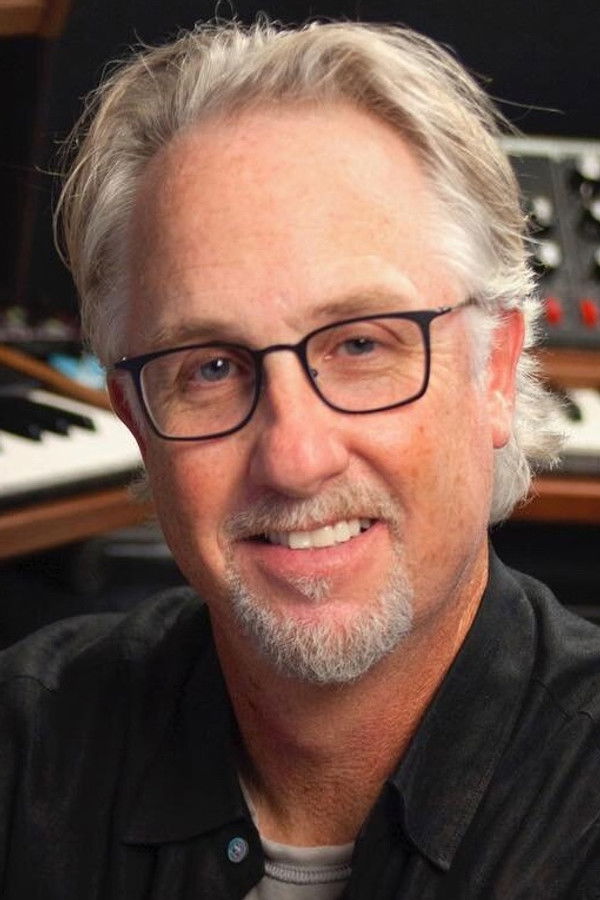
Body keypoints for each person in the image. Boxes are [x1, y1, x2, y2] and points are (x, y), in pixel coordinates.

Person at [1, 19, 597, 899]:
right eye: (210, 367)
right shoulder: (22, 751)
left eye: (361, 345)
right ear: (136, 420)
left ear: (497, 372)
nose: (295, 457)